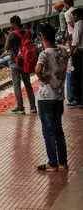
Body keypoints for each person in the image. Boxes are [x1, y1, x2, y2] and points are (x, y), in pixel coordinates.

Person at [35, 24, 69, 172]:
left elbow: (37, 69)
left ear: (42, 37)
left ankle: (52, 163)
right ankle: (63, 162)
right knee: (58, 130)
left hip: (45, 97)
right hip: (59, 97)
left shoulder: (44, 54)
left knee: (48, 131)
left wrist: (42, 77)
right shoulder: (63, 51)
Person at [5, 15, 36, 114]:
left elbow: (7, 48)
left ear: (13, 24)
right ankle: (33, 106)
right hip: (26, 62)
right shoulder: (27, 32)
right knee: (28, 84)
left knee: (16, 85)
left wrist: (8, 38)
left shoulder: (11, 35)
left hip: (15, 62)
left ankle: (20, 107)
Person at [69, 8, 83, 107]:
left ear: (80, 16)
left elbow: (76, 40)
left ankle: (77, 99)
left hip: (79, 53)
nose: (73, 18)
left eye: (74, 16)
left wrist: (71, 51)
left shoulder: (78, 24)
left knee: (76, 76)